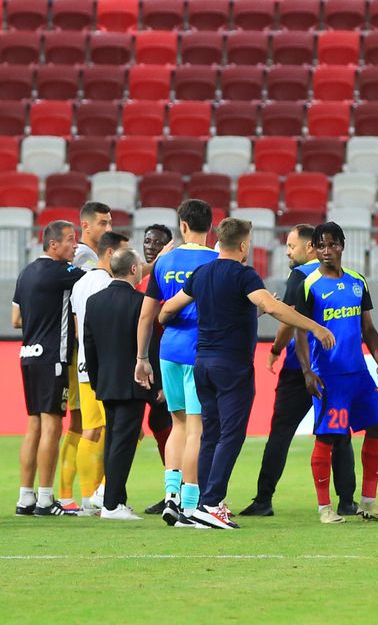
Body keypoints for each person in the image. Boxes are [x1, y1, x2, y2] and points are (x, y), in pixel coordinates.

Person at [158, 217, 336, 530]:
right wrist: (316, 326)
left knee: (211, 433)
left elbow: (169, 308)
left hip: (202, 363)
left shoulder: (201, 274)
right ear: (243, 245)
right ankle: (213, 503)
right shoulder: (244, 276)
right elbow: (272, 307)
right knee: (231, 433)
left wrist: (165, 319)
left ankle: (200, 505)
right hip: (232, 367)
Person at [240, 224, 357, 519]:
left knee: (281, 433)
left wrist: (277, 349)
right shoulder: (339, 276)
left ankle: (264, 499)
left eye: (291, 246)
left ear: (309, 248)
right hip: (332, 369)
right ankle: (346, 500)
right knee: (339, 433)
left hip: (299, 369)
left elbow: (289, 320)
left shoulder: (301, 276)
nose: (288, 252)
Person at [293, 222, 378, 524]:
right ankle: (325, 508)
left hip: (358, 374)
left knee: (377, 428)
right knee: (328, 437)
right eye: (320, 245)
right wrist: (307, 371)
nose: (326, 251)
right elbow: (299, 331)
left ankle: (369, 502)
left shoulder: (357, 282)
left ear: (342, 246)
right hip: (330, 375)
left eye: (331, 244)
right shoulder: (308, 284)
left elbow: (368, 328)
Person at [137, 200, 217, 527]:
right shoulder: (217, 261)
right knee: (197, 429)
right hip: (201, 350)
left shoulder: (164, 261)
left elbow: (147, 314)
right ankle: (190, 504)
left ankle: (170, 494)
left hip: (168, 350)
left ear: (182, 225)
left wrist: (142, 357)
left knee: (177, 424)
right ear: (209, 226)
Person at [12, 220, 86, 516]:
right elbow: (103, 278)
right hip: (53, 355)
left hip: (28, 353)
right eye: (70, 240)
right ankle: (45, 498)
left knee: (33, 425)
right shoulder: (62, 272)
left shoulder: (25, 273)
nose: (75, 245)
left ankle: (25, 497)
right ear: (53, 245)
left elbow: (15, 319)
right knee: (53, 424)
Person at [83, 247, 154, 521]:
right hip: (133, 383)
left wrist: (96, 379)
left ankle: (115, 499)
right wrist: (155, 382)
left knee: (113, 441)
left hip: (106, 383)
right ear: (135, 269)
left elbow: (88, 343)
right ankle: (112, 504)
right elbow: (150, 344)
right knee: (122, 444)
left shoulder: (94, 301)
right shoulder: (142, 302)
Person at [58, 201, 114, 511]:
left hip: (78, 349)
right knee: (86, 424)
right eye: (102, 223)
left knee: (82, 423)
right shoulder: (82, 257)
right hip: (81, 350)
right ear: (86, 226)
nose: (107, 227)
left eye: (109, 223)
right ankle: (81, 495)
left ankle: (71, 495)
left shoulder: (89, 257)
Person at [69, 230, 130, 515]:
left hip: (86, 363)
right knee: (119, 430)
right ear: (110, 254)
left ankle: (87, 496)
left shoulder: (81, 283)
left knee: (91, 430)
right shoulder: (106, 284)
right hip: (107, 367)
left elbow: (81, 328)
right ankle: (103, 492)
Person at [136, 223, 175, 514]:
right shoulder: (137, 276)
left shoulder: (166, 278)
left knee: (170, 425)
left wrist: (163, 378)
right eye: (147, 240)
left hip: (162, 364)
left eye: (158, 242)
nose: (151, 245)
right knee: (155, 425)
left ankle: (182, 489)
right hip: (140, 363)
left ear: (168, 245)